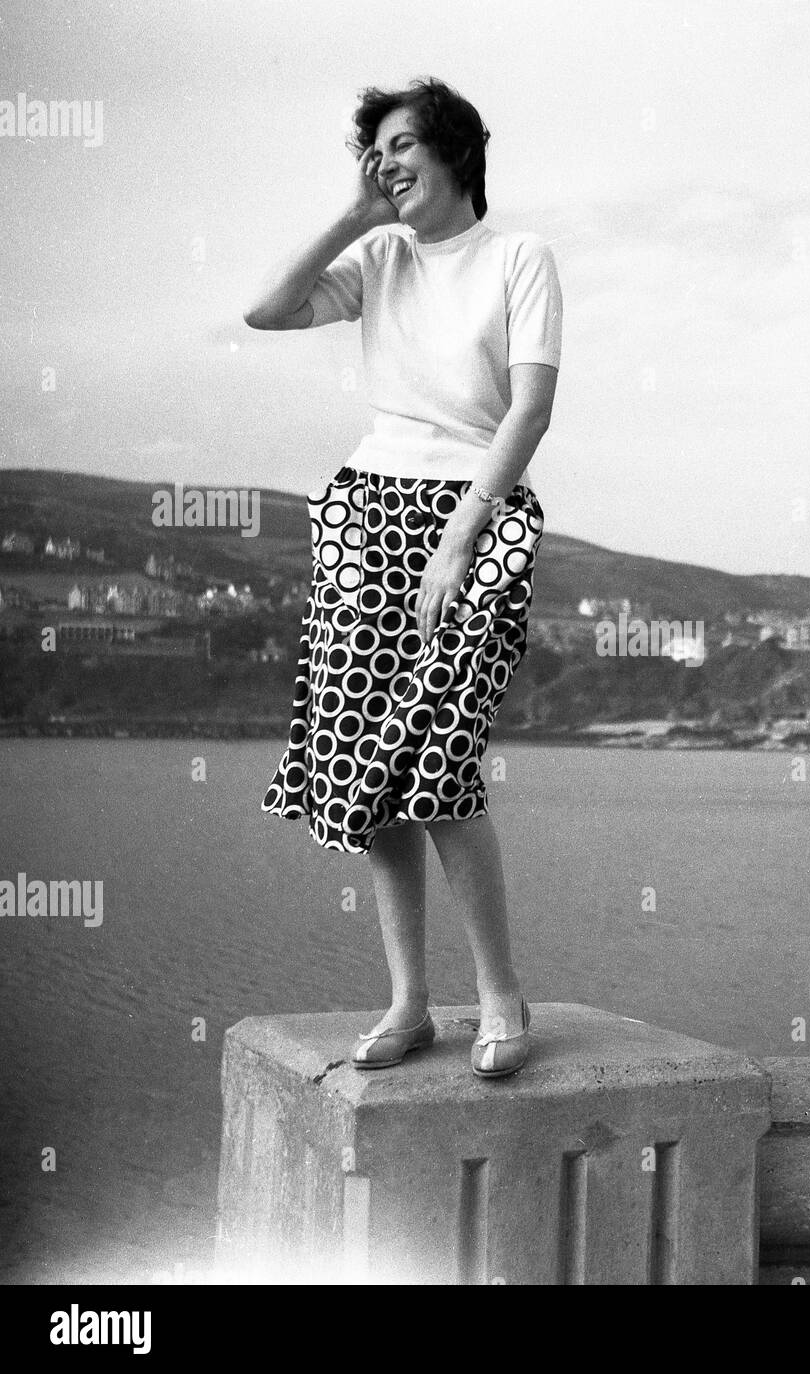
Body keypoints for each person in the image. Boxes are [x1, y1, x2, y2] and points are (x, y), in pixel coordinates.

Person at [247, 76, 561, 1079]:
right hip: (364, 510)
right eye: (371, 151)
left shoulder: (519, 258)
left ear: (453, 148)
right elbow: (266, 310)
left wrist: (466, 531)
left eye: (397, 144)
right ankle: (409, 1005)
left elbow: (528, 412)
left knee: (439, 756)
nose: (383, 162)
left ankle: (500, 997)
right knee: (372, 768)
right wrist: (353, 214)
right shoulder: (378, 256)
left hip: (476, 513)